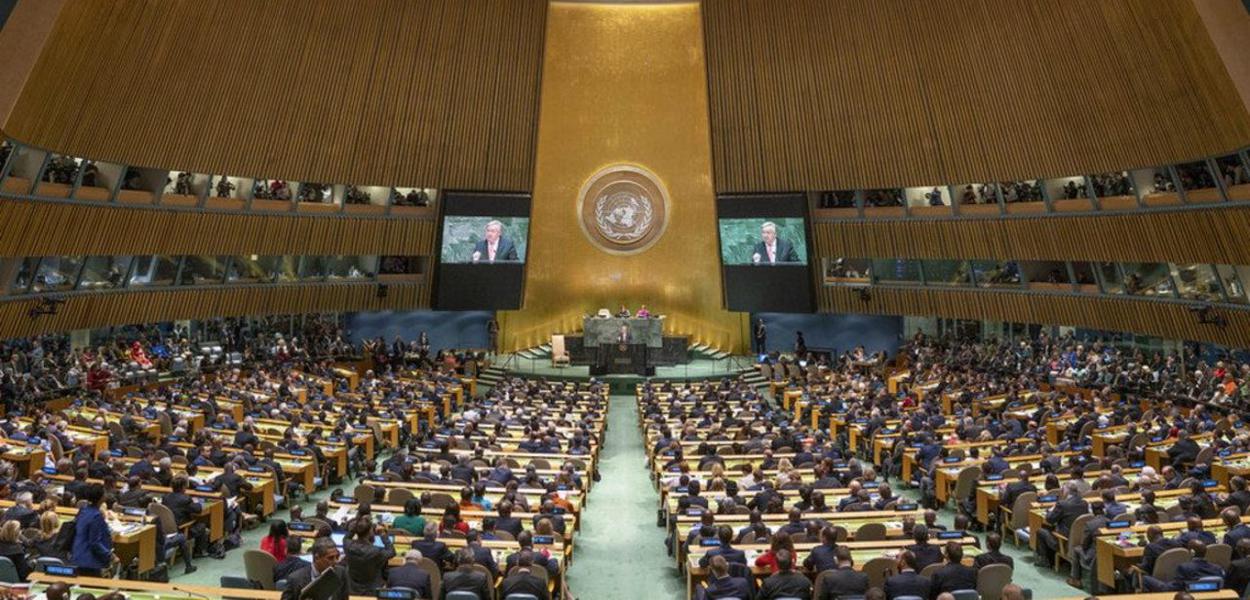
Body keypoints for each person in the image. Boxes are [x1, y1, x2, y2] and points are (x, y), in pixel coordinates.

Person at [281, 537, 349, 600]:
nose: (336, 561)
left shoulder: (341, 573)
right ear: (317, 558)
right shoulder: (295, 579)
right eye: (330, 558)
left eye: (337, 557)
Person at [71, 484, 113, 577]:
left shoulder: (83, 511)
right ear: (101, 497)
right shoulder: (96, 516)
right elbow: (94, 542)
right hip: (90, 561)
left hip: (78, 555)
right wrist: (109, 555)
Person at [344, 519, 395, 594]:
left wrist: (356, 528)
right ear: (370, 532)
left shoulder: (347, 545)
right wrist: (383, 534)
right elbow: (392, 552)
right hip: (371, 591)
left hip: (352, 589)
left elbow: (347, 537)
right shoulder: (376, 551)